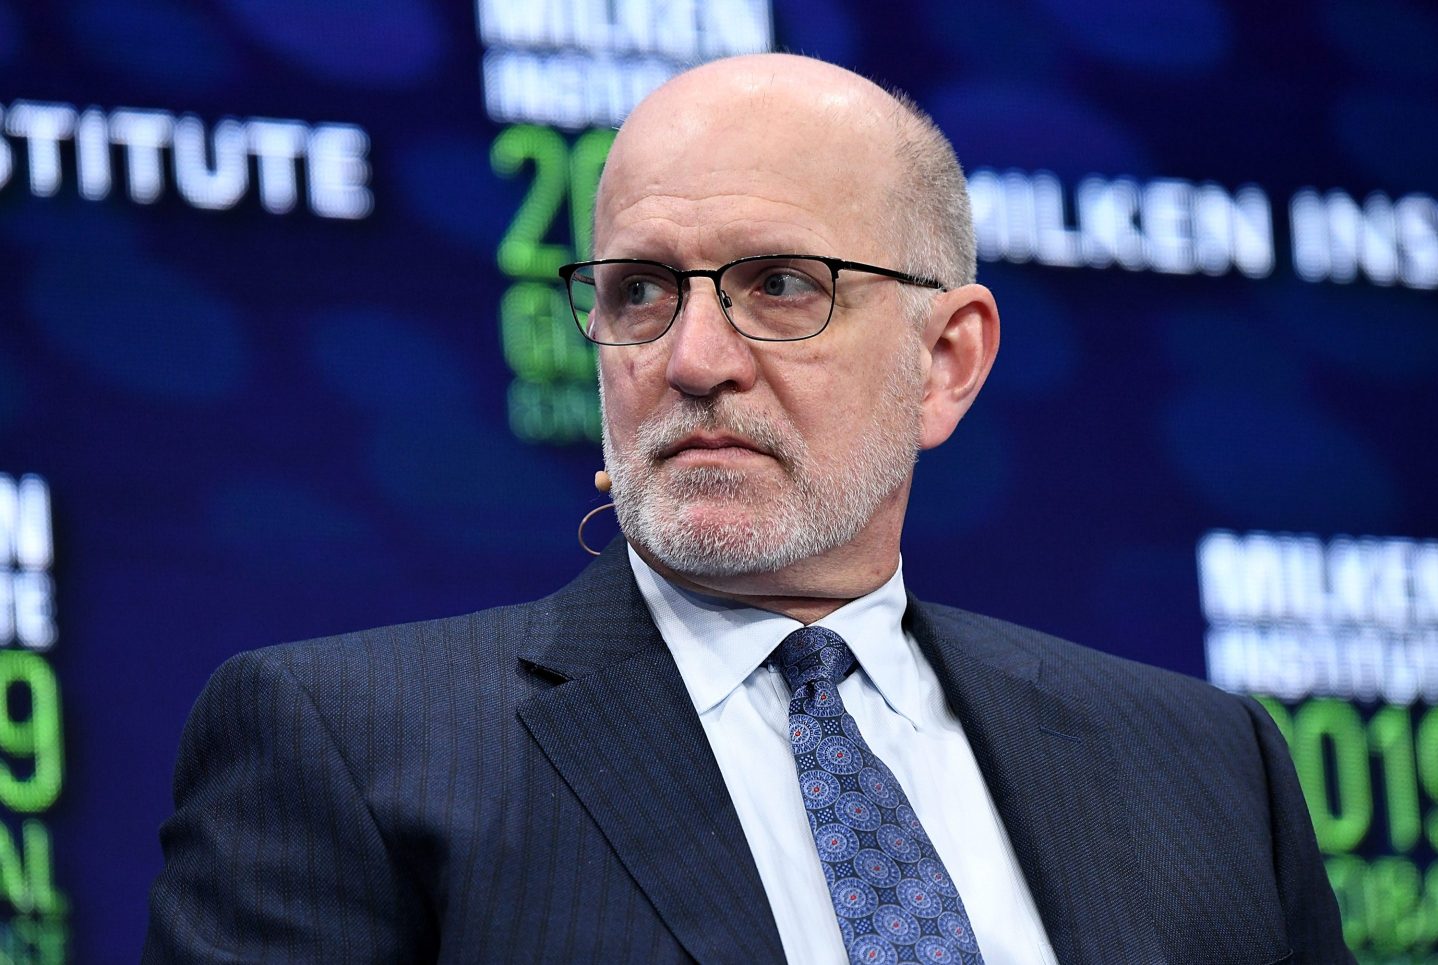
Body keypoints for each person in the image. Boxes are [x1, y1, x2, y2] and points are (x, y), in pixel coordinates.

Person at [144, 54, 1351, 964]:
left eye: (781, 285)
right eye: (642, 290)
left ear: (947, 362)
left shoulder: (1207, 768)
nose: (694, 356)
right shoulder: (348, 747)